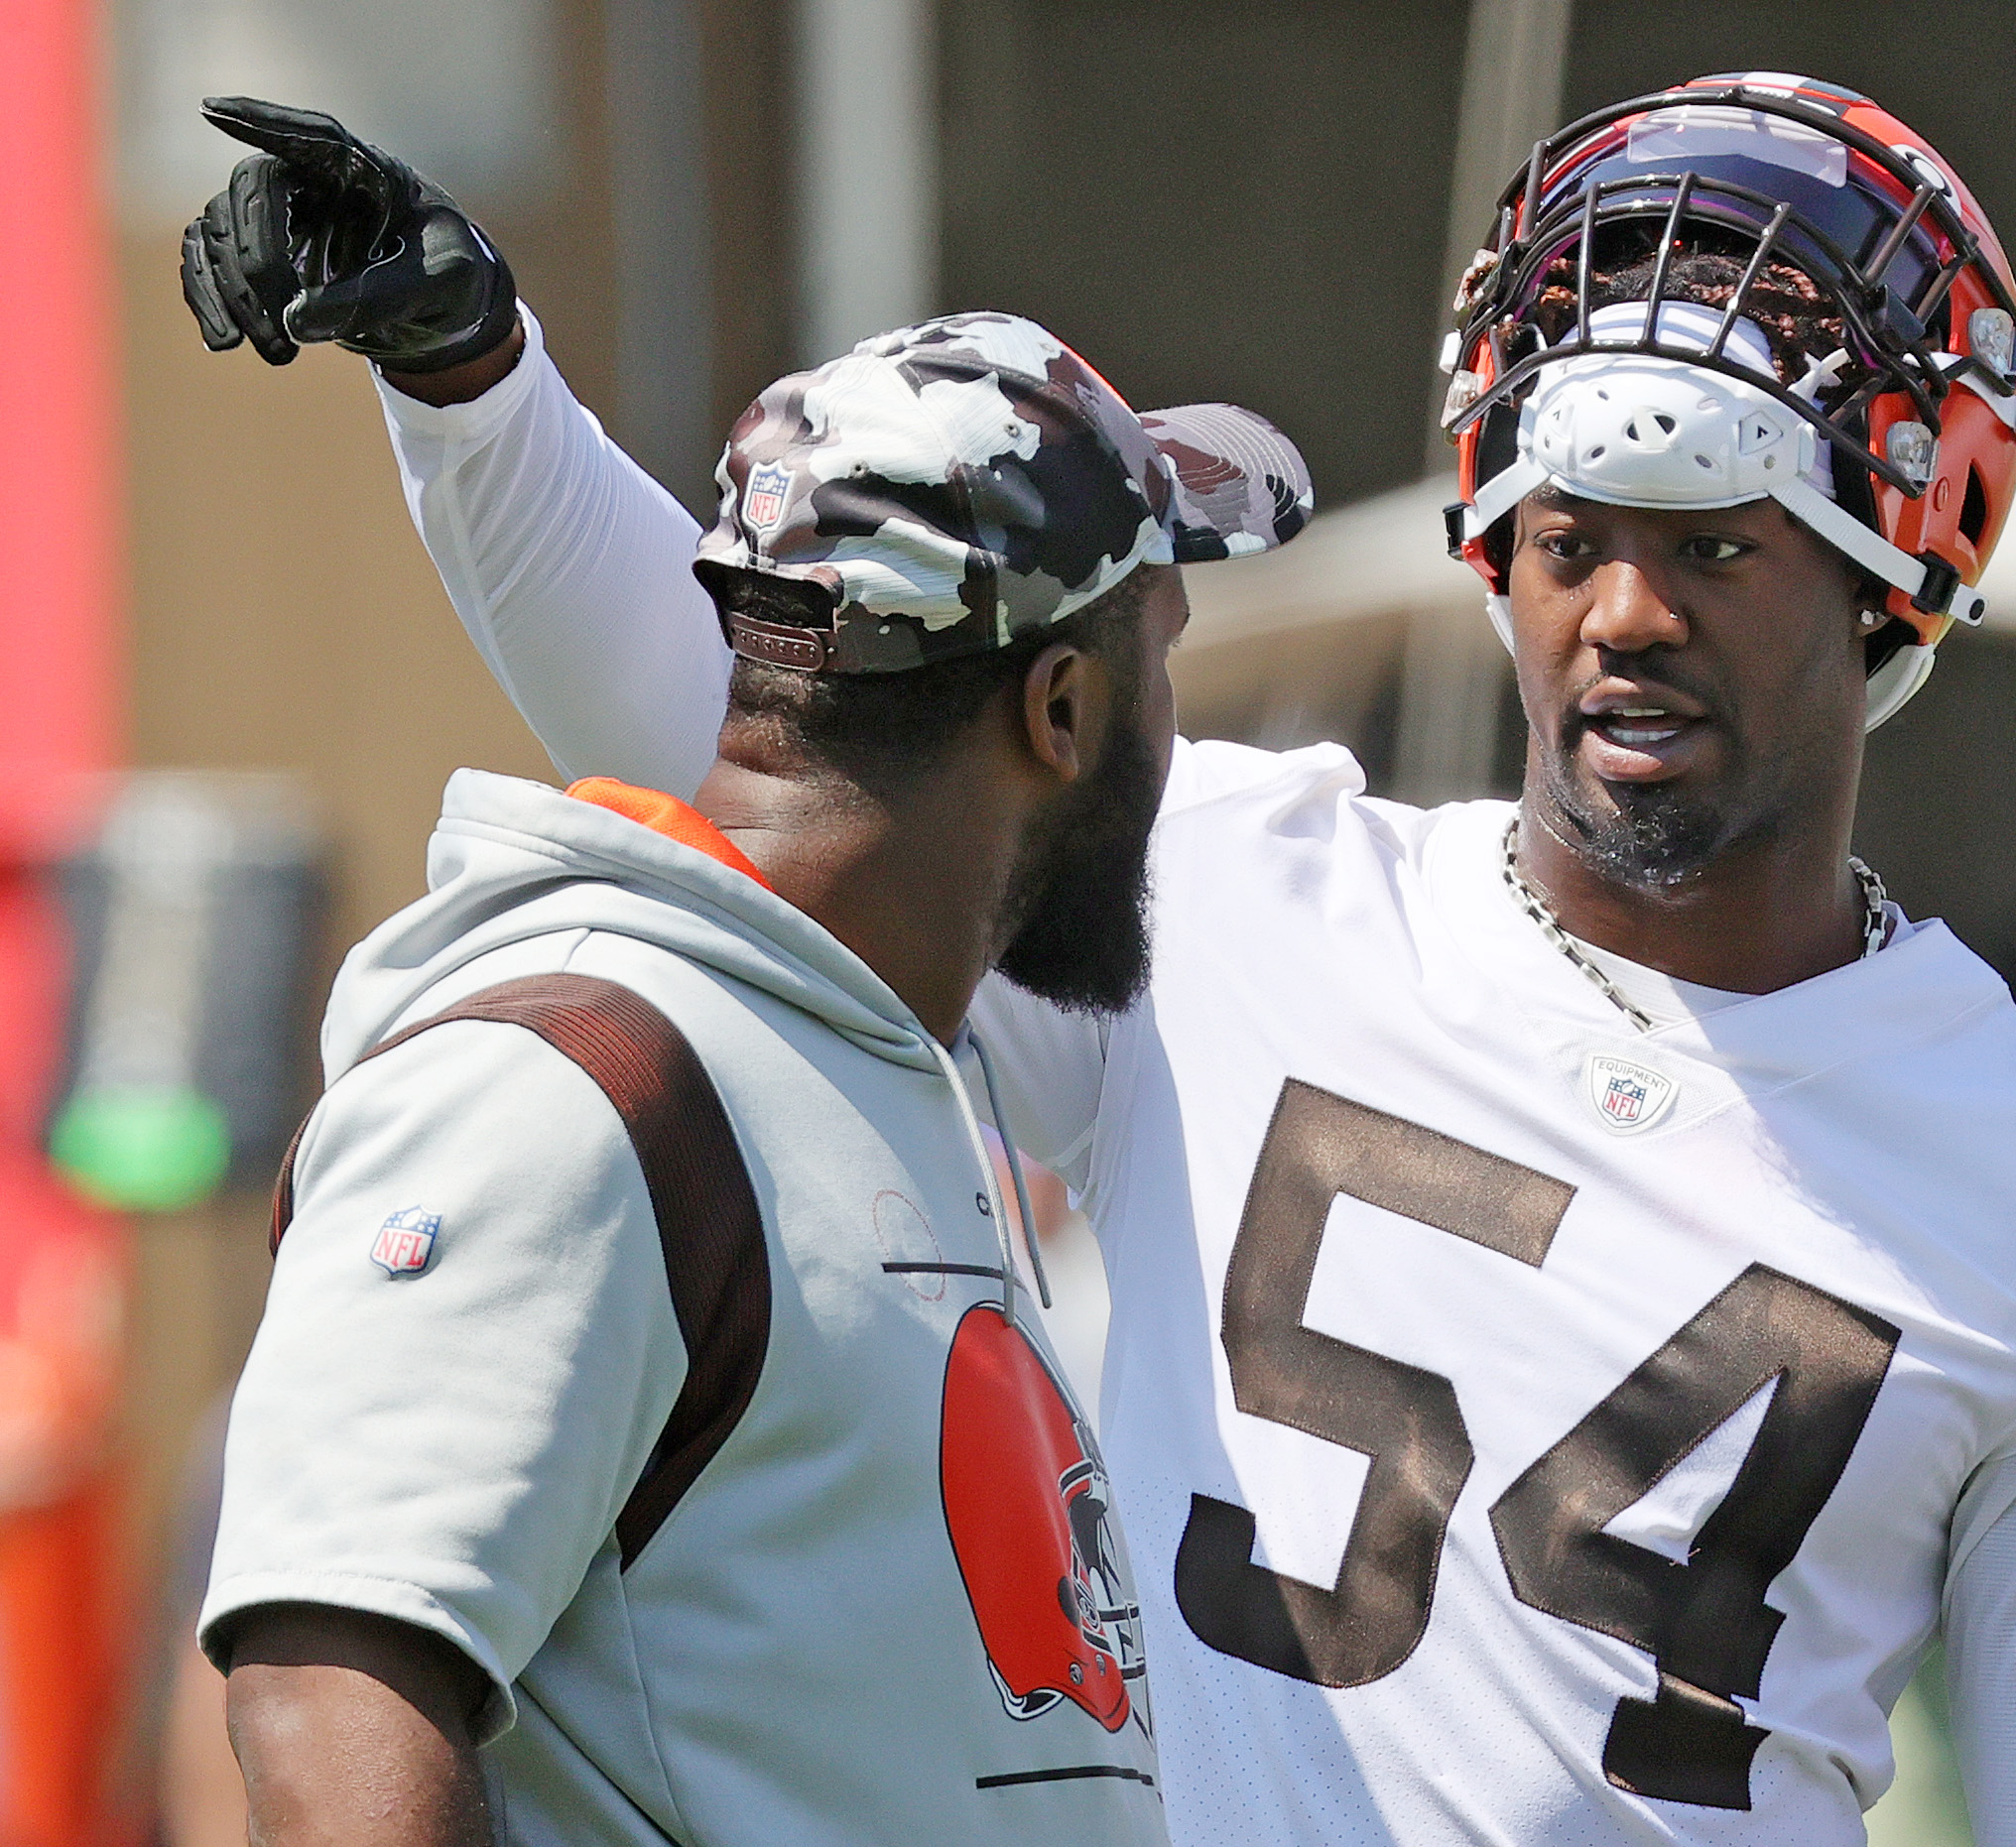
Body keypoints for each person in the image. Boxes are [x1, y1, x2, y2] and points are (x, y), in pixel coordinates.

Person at [184, 74, 2016, 1846]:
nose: (1623, 614)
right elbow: (752, 734)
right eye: (1569, 538)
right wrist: (475, 385)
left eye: (1713, 545)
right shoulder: (1254, 895)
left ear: (1895, 571)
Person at [185, 135, 1318, 1841]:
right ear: (1062, 710)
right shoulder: (575, 1077)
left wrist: (472, 363)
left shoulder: (847, 1055)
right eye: (1164, 657)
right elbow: (328, 1698)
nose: (1184, 744)